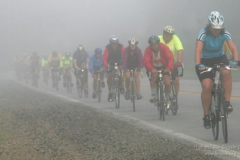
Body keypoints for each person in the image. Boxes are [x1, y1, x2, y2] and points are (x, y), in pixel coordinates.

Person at [195, 11, 239, 129]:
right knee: (207, 86)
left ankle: (227, 102)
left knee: (227, 72)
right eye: (214, 28)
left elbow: (233, 47)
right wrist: (198, 64)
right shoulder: (203, 33)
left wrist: (235, 61)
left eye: (219, 29)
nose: (216, 31)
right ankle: (206, 115)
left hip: (220, 57)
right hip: (205, 60)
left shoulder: (225, 33)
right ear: (209, 26)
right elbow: (198, 50)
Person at [143, 35, 174, 107]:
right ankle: (154, 95)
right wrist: (151, 69)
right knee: (154, 77)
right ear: (150, 45)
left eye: (156, 44)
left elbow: (170, 58)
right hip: (153, 68)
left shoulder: (164, 48)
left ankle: (167, 99)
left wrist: (168, 68)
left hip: (164, 67)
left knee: (168, 83)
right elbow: (146, 61)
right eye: (152, 45)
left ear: (159, 43)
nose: (155, 46)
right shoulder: (148, 50)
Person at [158, 26, 183, 96]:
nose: (168, 38)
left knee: (176, 80)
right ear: (163, 34)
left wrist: (179, 62)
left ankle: (175, 97)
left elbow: (180, 50)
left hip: (172, 63)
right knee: (162, 79)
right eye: (166, 36)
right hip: (160, 63)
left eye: (170, 37)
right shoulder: (158, 39)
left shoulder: (175, 38)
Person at [103, 35, 125, 102]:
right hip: (110, 62)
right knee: (109, 76)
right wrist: (107, 66)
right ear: (110, 43)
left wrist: (124, 64)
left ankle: (121, 86)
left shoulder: (121, 46)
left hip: (119, 61)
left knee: (122, 71)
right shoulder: (107, 48)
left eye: (115, 43)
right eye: (113, 43)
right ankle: (110, 92)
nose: (114, 45)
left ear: (117, 43)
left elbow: (125, 56)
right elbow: (104, 58)